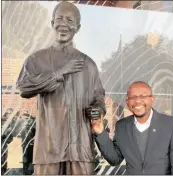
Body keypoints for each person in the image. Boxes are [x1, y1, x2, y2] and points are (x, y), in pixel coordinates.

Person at [16, 1, 106, 175]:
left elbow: (99, 96)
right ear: (52, 23)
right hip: (49, 148)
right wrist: (59, 73)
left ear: (77, 28)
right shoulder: (36, 60)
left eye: (70, 20)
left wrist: (98, 109)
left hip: (81, 149)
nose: (64, 24)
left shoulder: (88, 64)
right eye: (59, 18)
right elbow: (24, 88)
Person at [91, 81, 173, 175]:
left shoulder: (171, 125)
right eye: (133, 97)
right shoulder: (121, 126)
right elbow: (115, 159)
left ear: (152, 99)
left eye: (143, 96)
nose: (138, 101)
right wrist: (100, 132)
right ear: (127, 102)